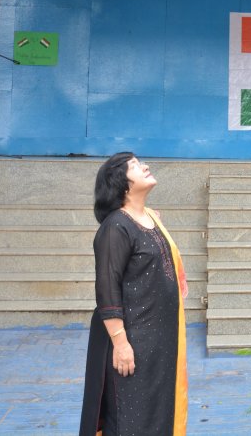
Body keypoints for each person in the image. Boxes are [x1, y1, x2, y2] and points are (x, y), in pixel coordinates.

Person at [79, 152, 189, 436]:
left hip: (160, 345)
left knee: (157, 417)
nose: (146, 166)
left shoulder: (151, 218)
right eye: (136, 165)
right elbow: (107, 287)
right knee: (131, 419)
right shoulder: (116, 226)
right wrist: (120, 343)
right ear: (121, 182)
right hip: (132, 343)